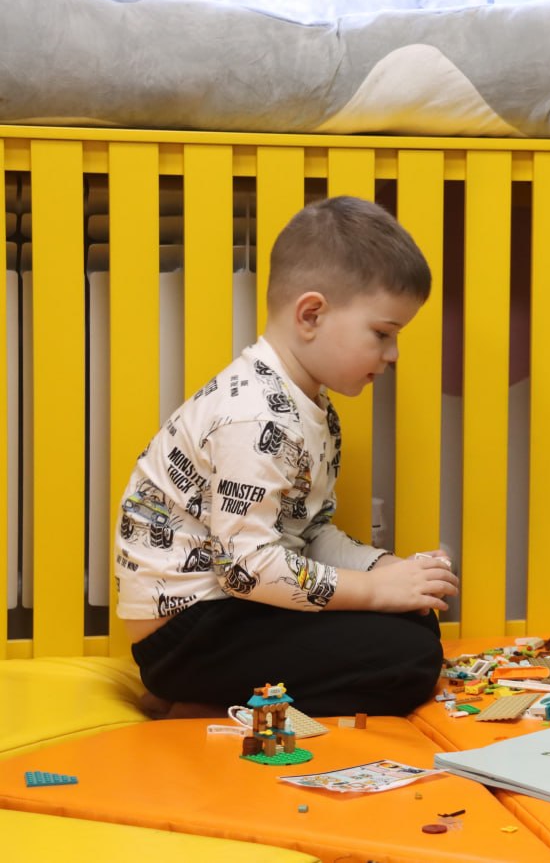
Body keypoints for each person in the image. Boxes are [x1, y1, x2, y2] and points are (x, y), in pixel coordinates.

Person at [116, 195, 459, 717]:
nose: (392, 355)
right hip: (189, 634)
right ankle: (200, 704)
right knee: (410, 660)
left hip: (233, 610)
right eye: (383, 334)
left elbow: (309, 531)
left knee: (415, 621)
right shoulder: (256, 417)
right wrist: (371, 590)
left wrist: (384, 569)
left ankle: (209, 694)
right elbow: (246, 569)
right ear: (311, 315)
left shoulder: (309, 408)